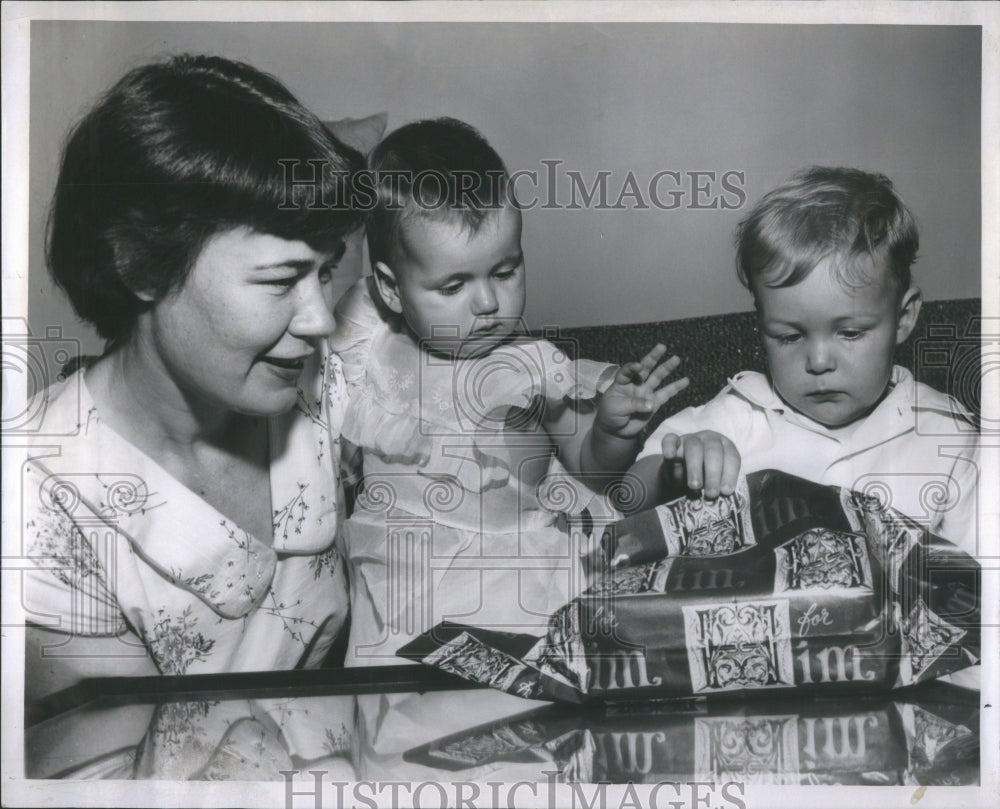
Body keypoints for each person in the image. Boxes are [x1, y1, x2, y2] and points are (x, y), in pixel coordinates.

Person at [22, 54, 364, 707]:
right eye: (280, 279)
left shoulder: (319, 389)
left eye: (326, 272)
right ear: (140, 264)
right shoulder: (39, 500)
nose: (321, 319)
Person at [331, 118, 735, 665]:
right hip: (395, 581)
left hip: (510, 581)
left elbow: (590, 467)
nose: (487, 304)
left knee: (518, 710)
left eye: (506, 270)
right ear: (389, 288)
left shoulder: (532, 367)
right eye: (453, 286)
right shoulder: (368, 341)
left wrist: (613, 430)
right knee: (393, 716)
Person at [629, 167, 980, 555]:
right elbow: (628, 495)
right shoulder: (741, 413)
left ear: (905, 317)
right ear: (761, 325)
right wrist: (674, 471)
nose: (817, 361)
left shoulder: (948, 436)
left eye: (849, 333)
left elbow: (981, 582)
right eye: (789, 336)